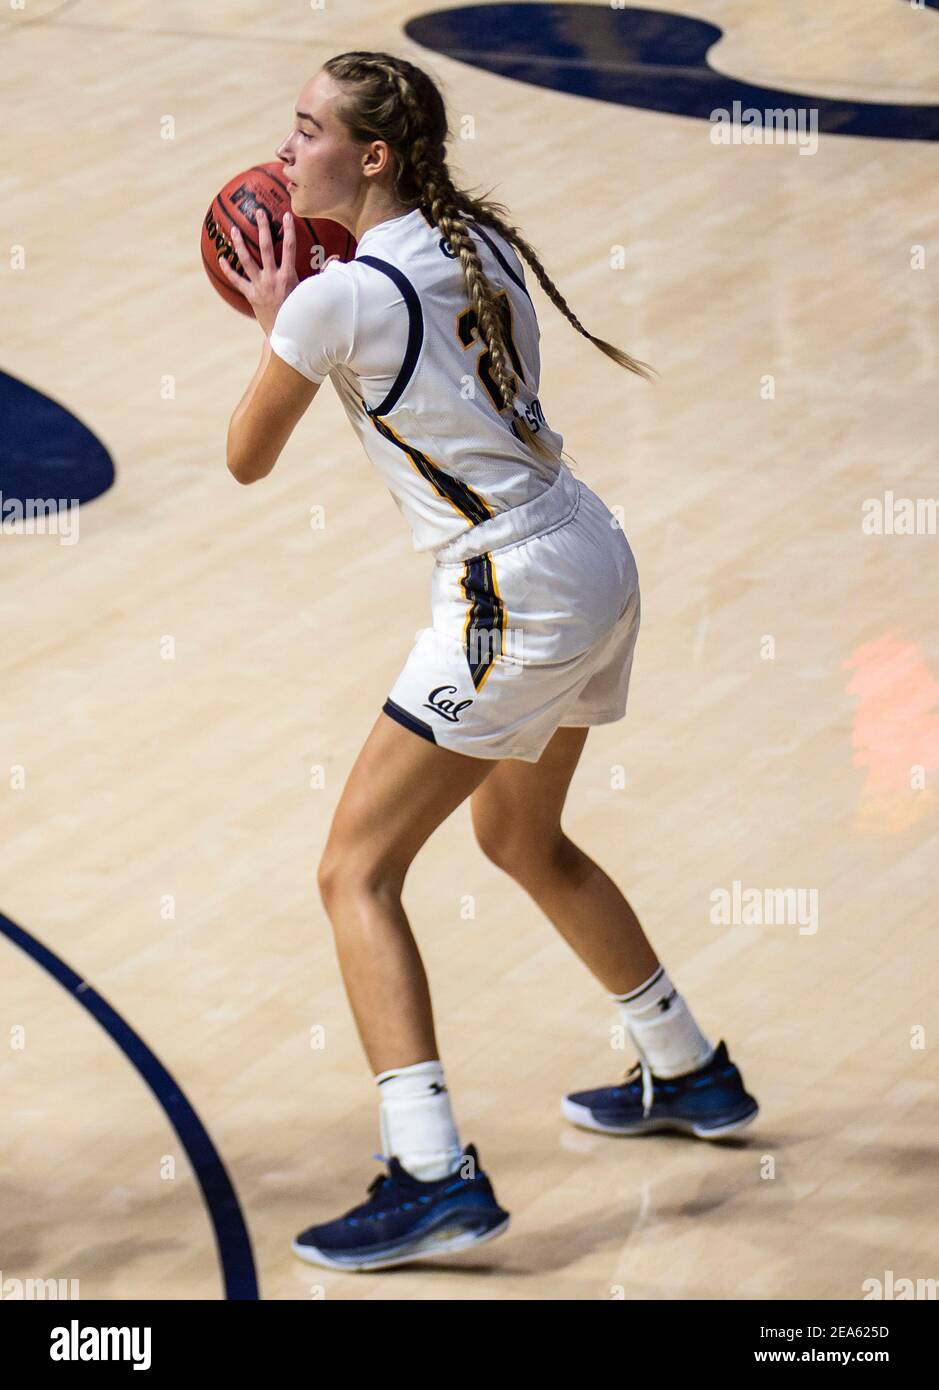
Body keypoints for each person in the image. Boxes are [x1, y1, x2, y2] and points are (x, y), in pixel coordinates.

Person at [218, 50, 758, 1274]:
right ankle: (688, 1067)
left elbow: (246, 457)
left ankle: (430, 1173)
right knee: (521, 837)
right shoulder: (474, 241)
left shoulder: (332, 298)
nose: (282, 147)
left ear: (372, 158)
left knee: (354, 871)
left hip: (509, 589)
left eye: (306, 129)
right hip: (589, 548)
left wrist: (276, 327)